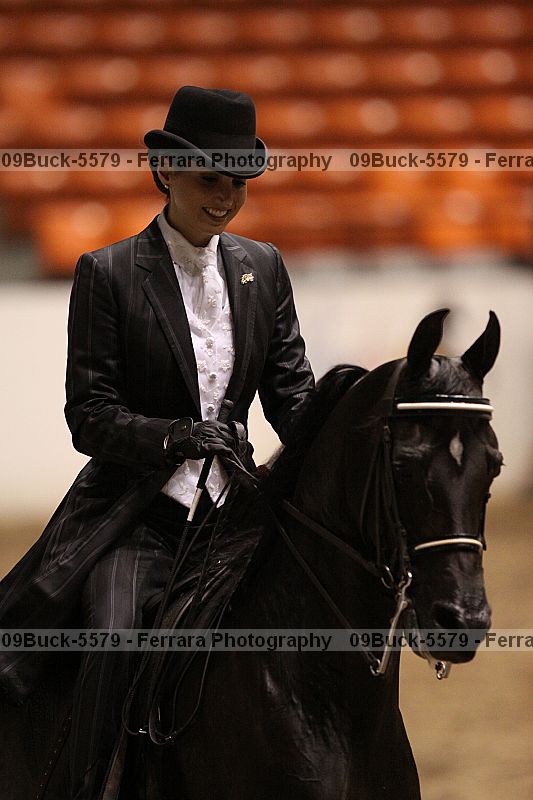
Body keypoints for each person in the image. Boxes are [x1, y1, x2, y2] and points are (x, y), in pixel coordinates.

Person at [0, 86, 314, 799]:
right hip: (138, 516)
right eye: (211, 179)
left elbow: (292, 395)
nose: (226, 198)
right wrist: (174, 437)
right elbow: (90, 416)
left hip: (236, 514)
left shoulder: (263, 267)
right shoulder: (108, 273)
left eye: (238, 183)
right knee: (112, 640)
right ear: (166, 170)